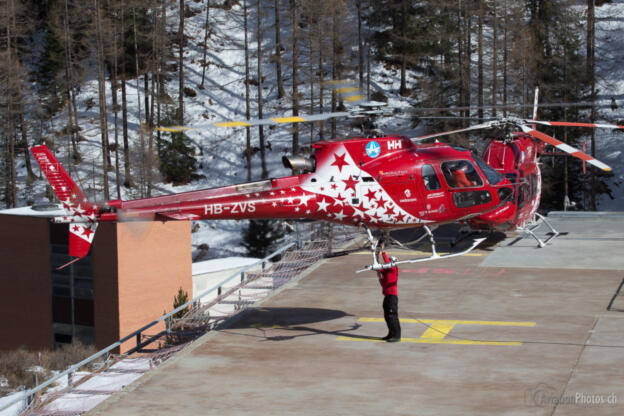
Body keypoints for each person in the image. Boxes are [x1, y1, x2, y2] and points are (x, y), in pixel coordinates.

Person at [376, 240, 401, 342]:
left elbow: (386, 263)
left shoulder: (393, 269)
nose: (389, 262)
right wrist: (376, 254)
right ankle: (391, 333)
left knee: (392, 316)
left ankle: (396, 336)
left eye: (391, 261)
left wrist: (383, 251)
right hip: (387, 296)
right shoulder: (386, 271)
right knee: (387, 316)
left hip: (392, 297)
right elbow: (378, 267)